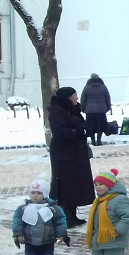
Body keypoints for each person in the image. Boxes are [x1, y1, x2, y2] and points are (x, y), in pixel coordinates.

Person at [48, 86, 95, 227]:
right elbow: (59, 131)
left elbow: (81, 124)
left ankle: (73, 216)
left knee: (76, 184)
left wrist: (87, 129)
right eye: (74, 95)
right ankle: (66, 218)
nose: (77, 97)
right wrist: (78, 132)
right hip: (64, 154)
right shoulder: (56, 111)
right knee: (65, 186)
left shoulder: (73, 109)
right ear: (67, 98)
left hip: (77, 153)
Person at [11, 179, 69, 255]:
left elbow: (60, 222)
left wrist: (61, 234)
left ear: (45, 194)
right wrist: (19, 234)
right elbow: (18, 222)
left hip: (47, 240)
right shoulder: (23, 209)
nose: (35, 196)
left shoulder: (53, 209)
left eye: (39, 193)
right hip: (30, 240)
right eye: (33, 193)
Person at [80, 73, 112, 146]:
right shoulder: (103, 87)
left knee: (91, 126)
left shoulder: (87, 87)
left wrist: (82, 108)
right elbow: (107, 97)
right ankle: (99, 140)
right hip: (101, 110)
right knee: (100, 126)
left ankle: (93, 141)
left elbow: (83, 99)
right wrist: (108, 107)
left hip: (90, 111)